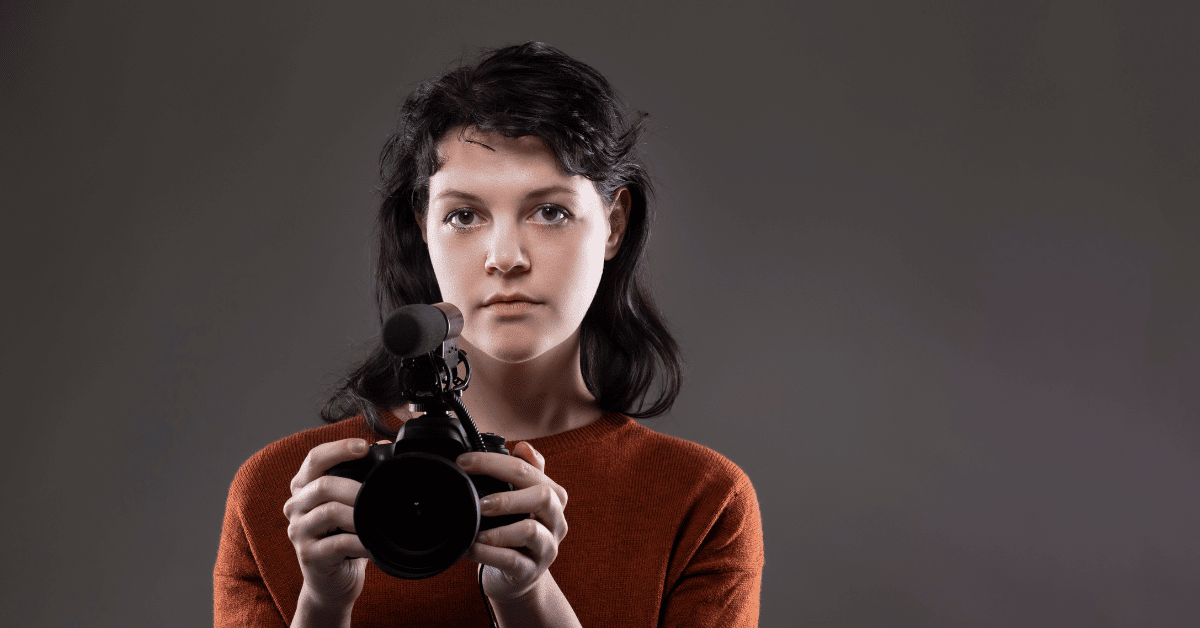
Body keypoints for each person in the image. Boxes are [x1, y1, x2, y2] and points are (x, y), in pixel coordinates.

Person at [214, 42, 763, 628]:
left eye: (550, 211)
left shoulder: (701, 502)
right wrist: (322, 604)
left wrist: (529, 598)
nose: (505, 258)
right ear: (422, 228)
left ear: (614, 225)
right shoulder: (283, 495)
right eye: (463, 216)